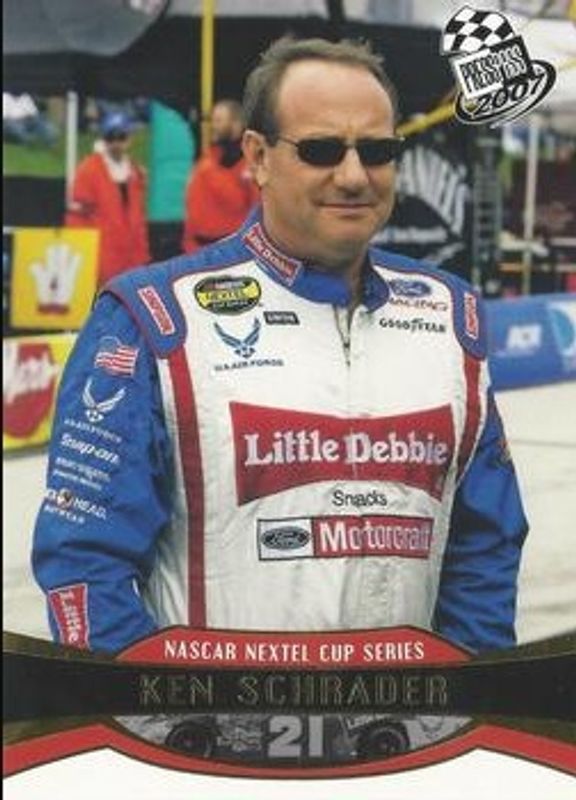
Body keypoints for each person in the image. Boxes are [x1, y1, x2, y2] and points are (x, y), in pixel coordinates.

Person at [32, 37, 528, 655]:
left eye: (377, 151)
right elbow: (83, 562)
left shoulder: (452, 316)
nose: (354, 176)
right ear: (258, 157)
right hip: (208, 716)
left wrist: (464, 688)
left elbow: (487, 543)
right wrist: (154, 705)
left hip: (409, 717)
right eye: (321, 150)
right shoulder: (150, 317)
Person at [65, 111, 151, 287]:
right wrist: (84, 256)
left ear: (129, 138)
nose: (116, 143)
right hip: (101, 255)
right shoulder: (88, 170)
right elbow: (76, 219)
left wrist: (142, 253)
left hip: (132, 256)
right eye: (111, 137)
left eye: (121, 137)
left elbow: (139, 218)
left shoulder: (136, 171)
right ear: (104, 139)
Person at [182, 99, 259, 253]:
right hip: (197, 248)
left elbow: (254, 211)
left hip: (229, 250)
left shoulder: (250, 165)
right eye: (213, 120)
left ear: (236, 124)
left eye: (218, 120)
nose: (213, 126)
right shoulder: (210, 157)